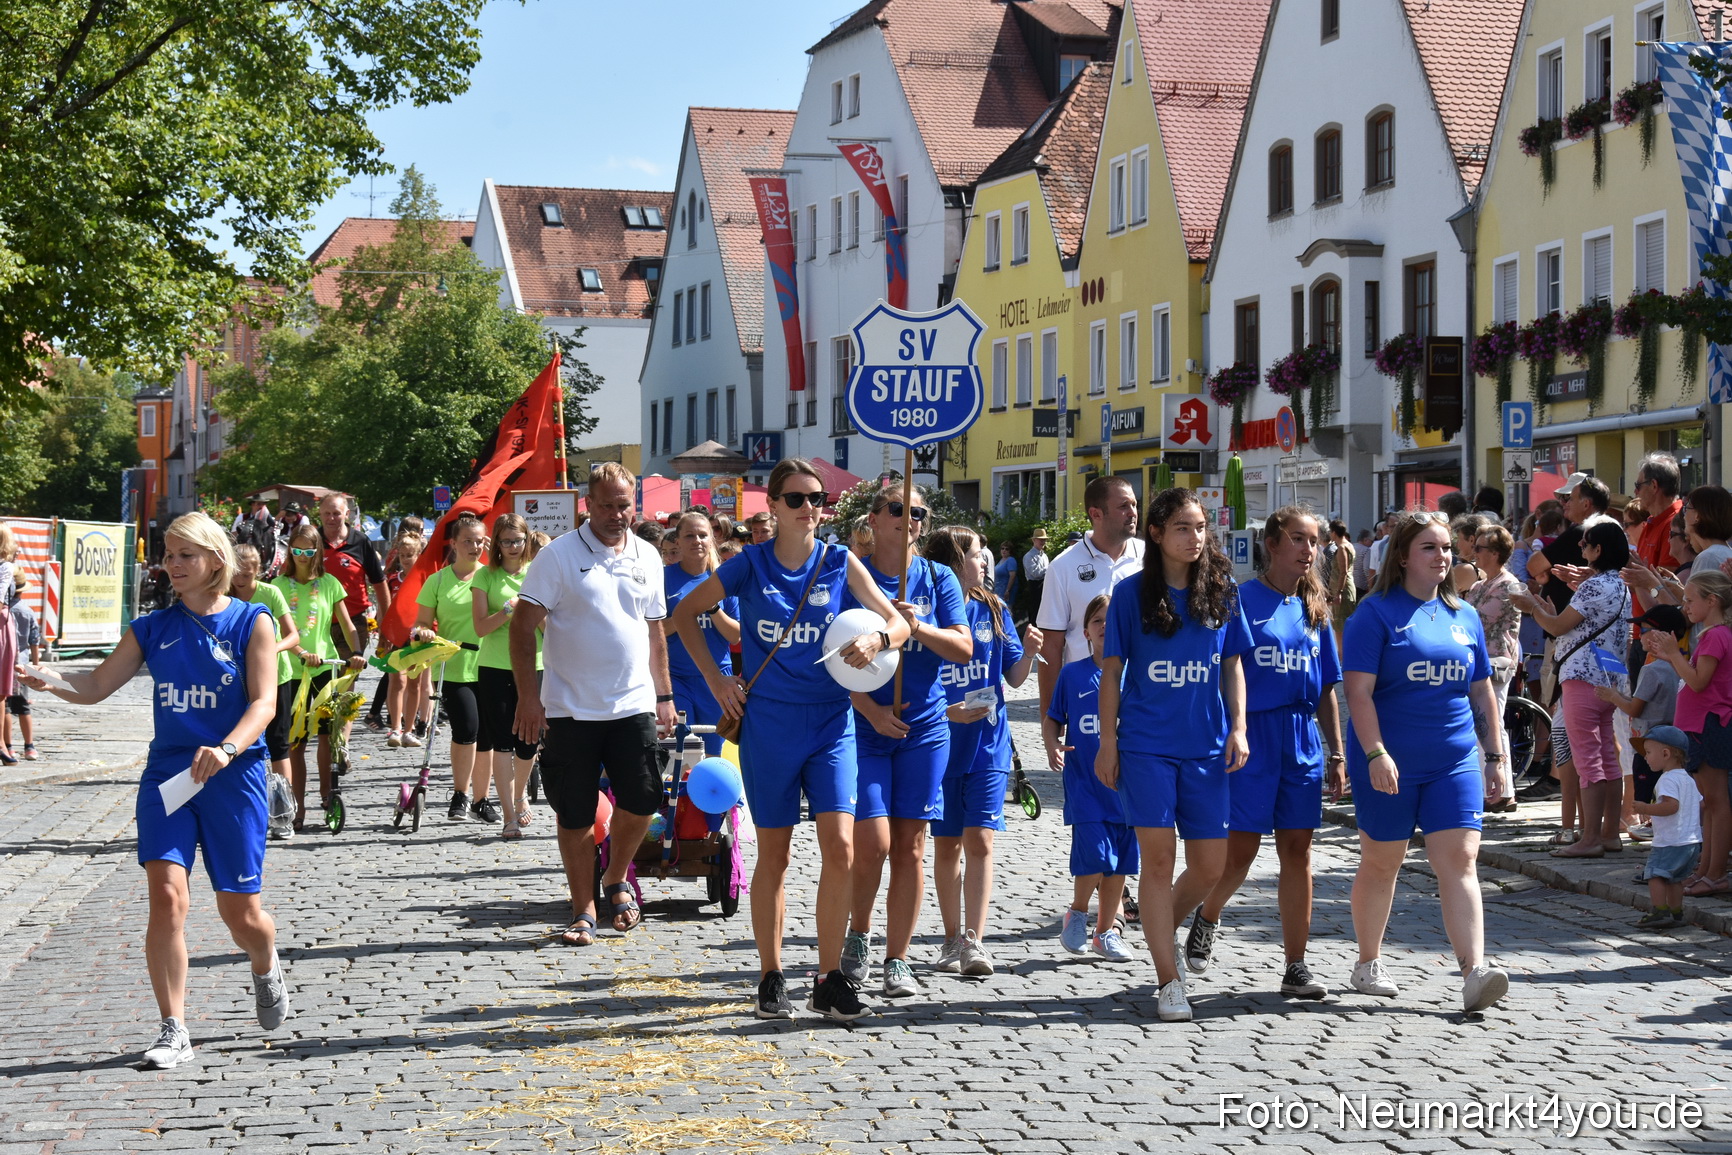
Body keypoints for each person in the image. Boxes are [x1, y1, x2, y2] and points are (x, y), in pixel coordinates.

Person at [16, 512, 288, 1068]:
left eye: (185, 554)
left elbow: (264, 703)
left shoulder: (252, 622)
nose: (173, 564)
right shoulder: (152, 629)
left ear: (215, 558)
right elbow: (95, 685)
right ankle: (173, 1028)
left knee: (242, 914)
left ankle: (264, 961)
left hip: (233, 777)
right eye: (168, 555)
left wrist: (227, 749)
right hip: (170, 775)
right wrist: (52, 682)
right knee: (166, 896)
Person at [670, 458, 910, 1022]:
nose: (810, 509)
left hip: (830, 724)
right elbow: (683, 614)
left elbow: (897, 622)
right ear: (772, 507)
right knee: (774, 854)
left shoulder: (838, 561)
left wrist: (879, 638)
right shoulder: (748, 565)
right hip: (770, 725)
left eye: (818, 498)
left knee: (842, 848)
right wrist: (716, 678)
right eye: (797, 499)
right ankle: (771, 974)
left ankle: (829, 978)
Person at [1341, 512, 1511, 1013]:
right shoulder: (1373, 616)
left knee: (1459, 860)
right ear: (1403, 557)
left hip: (1453, 759)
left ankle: (1473, 972)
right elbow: (1358, 694)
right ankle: (1368, 961)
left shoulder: (1465, 617)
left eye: (1446, 549)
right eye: (1430, 549)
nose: (1443, 558)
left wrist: (1496, 757)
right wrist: (1374, 753)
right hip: (1388, 760)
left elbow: (1482, 693)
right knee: (1382, 862)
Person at [1095, 488, 1251, 1023]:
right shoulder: (1130, 594)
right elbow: (1111, 673)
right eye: (1183, 527)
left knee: (1210, 864)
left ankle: (1161, 926)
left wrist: (1239, 728)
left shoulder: (1222, 590)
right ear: (1157, 534)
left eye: (1201, 527)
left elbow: (1232, 665)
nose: (1195, 537)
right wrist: (1108, 743)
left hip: (1207, 748)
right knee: (1158, 860)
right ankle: (1167, 980)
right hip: (1146, 748)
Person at [511, 464, 678, 948]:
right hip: (570, 709)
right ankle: (582, 905)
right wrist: (528, 698)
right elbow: (522, 628)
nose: (615, 514)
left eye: (624, 504)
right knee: (575, 812)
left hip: (633, 704)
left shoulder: (648, 554)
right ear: (588, 503)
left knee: (645, 798)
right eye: (605, 504)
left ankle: (615, 877)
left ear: (635, 504)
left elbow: (654, 631)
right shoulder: (559, 557)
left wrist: (664, 695)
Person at [1184, 507, 1344, 999]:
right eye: (1298, 539)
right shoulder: (1239, 599)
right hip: (1253, 737)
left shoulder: (1315, 608)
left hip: (1301, 739)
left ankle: (1296, 965)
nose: (1308, 550)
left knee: (1299, 851)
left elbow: (1326, 689)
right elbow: (1219, 675)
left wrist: (1337, 754)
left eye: (1314, 541)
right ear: (1271, 544)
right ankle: (1206, 916)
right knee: (1241, 853)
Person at [839, 487, 971, 1000]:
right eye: (897, 509)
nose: (909, 519)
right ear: (874, 516)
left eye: (918, 512)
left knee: (912, 847)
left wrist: (918, 626)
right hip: (865, 726)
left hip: (925, 728)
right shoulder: (854, 575)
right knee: (872, 843)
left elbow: (962, 647)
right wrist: (869, 710)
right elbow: (831, 658)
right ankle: (859, 932)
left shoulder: (939, 578)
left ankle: (898, 957)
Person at [925, 526, 1041, 976]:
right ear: (954, 562)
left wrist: (1028, 653)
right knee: (947, 844)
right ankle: (951, 937)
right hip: (938, 744)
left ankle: (975, 941)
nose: (986, 561)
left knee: (981, 840)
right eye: (977, 554)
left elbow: (1012, 677)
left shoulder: (996, 608)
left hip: (989, 744)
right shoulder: (929, 612)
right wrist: (946, 710)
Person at [1513, 521, 1632, 858]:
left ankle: (1590, 837)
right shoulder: (1619, 585)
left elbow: (1557, 625)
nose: (1581, 548)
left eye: (1585, 544)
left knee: (1589, 759)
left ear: (1598, 550)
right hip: (1609, 676)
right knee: (1607, 757)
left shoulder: (1594, 586)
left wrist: (1531, 606)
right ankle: (1609, 834)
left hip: (1582, 675)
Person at [1045, 593, 1136, 960]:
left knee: (1120, 864)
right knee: (1097, 855)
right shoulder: (1072, 674)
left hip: (1129, 788)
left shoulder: (1135, 674)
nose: (1105, 627)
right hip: (1085, 785)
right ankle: (1078, 912)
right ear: (1085, 632)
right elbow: (1053, 718)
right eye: (1098, 621)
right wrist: (1051, 744)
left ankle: (1104, 932)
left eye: (1112, 621)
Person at [1642, 570, 1732, 897]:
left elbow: (1697, 681)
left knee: (1717, 802)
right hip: (1700, 727)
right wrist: (1670, 654)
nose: (1686, 606)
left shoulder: (1715, 636)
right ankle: (1707, 868)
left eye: (1691, 600)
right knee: (1708, 802)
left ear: (1713, 601)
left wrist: (1675, 654)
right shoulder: (1711, 634)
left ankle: (1717, 872)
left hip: (1711, 725)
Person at [271, 522, 367, 828]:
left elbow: (348, 625)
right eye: (296, 549)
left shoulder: (329, 584)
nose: (301, 555)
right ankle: (296, 807)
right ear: (290, 550)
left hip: (325, 666)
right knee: (295, 742)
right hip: (291, 670)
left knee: (326, 736)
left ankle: (328, 795)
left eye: (307, 550)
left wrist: (356, 654)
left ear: (317, 551)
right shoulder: (278, 585)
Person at [1036, 476, 1144, 714]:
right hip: (1085, 697)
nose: (1133, 512)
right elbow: (1051, 645)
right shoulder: (1063, 566)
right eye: (1124, 506)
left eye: (1134, 505)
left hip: (1141, 694)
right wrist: (1050, 715)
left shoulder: (1151, 561)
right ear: (1096, 514)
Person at [411, 512, 494, 823]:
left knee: (487, 737)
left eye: (479, 541)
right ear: (454, 544)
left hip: (491, 664)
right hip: (455, 666)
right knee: (466, 730)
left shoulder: (490, 576)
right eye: (468, 542)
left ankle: (481, 800)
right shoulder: (438, 580)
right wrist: (425, 631)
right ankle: (459, 794)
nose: (475, 547)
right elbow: (420, 622)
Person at [472, 513, 542, 838]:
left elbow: (550, 627)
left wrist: (534, 611)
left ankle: (520, 792)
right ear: (496, 544)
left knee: (528, 743)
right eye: (506, 541)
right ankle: (509, 815)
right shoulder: (486, 576)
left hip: (535, 666)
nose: (513, 547)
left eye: (518, 540)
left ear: (527, 540)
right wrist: (509, 610)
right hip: (495, 666)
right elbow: (480, 627)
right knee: (502, 744)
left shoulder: (538, 573)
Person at [229, 543, 300, 838]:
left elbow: (293, 635)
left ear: (257, 570)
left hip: (275, 677)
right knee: (238, 743)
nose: (241, 581)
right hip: (236, 680)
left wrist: (271, 649)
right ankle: (238, 812)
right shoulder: (224, 594)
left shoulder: (270, 594)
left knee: (278, 743)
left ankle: (283, 813)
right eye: (237, 574)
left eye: (247, 575)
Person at [1600, 604, 1687, 830]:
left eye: (1645, 629)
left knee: (1647, 793)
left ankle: (1652, 830)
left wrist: (1612, 696)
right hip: (1674, 739)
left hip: (1649, 743)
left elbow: (1635, 709)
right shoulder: (1681, 665)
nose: (1640, 634)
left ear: (1663, 635)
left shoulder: (1652, 670)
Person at [660, 511, 740, 756]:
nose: (697, 540)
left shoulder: (726, 578)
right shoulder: (663, 578)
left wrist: (713, 607)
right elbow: (655, 631)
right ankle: (679, 796)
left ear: (711, 540)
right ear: (678, 541)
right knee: (681, 754)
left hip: (718, 679)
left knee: (713, 754)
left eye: (703, 535)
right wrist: (686, 615)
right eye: (689, 535)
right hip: (677, 678)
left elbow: (735, 635)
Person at [1465, 525, 1523, 811]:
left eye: (1480, 548)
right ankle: (1490, 790)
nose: (1474, 552)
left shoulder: (1508, 585)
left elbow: (1478, 619)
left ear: (1496, 553)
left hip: (1497, 662)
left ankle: (1503, 792)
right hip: (1477, 663)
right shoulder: (1479, 584)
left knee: (1493, 722)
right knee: (1480, 724)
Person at [1631, 725, 1704, 928]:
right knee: (1675, 880)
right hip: (1691, 842)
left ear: (1666, 753)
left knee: (1654, 874)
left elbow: (1671, 806)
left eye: (1648, 752)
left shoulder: (1667, 779)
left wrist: (1647, 807)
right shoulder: (1688, 779)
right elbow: (1701, 804)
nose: (1645, 758)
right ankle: (1676, 913)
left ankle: (1659, 911)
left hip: (1670, 841)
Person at [318, 493, 389, 660]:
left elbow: (379, 583)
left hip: (353, 622)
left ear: (346, 514)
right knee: (319, 679)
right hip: (317, 621)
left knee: (346, 679)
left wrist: (384, 625)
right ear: (320, 514)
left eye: (336, 513)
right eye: (327, 513)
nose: (331, 518)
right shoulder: (311, 541)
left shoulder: (361, 541)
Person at [382, 524, 431, 747]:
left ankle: (409, 730)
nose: (406, 559)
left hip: (419, 638)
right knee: (396, 681)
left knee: (415, 683)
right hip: (396, 637)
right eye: (402, 556)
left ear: (419, 554)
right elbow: (388, 609)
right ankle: (395, 727)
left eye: (410, 555)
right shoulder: (393, 580)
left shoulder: (426, 580)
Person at [4, 577, 43, 761]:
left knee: (5, 709)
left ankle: (8, 747)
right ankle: (29, 746)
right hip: (22, 666)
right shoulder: (27, 611)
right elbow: (34, 641)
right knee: (23, 707)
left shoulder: (4, 610)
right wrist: (36, 667)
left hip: (4, 664)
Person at [1633, 453, 1684, 571]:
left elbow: (1665, 585)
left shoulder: (1676, 523)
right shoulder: (1653, 520)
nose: (1635, 491)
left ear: (1653, 486)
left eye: (1638, 485)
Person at [1325, 520, 1356, 649]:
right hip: (1345, 587)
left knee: (1340, 626)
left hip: (1343, 589)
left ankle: (1341, 658)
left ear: (1334, 532)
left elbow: (1343, 572)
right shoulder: (1348, 544)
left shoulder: (1342, 547)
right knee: (1343, 625)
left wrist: (1339, 593)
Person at [1022, 528, 1050, 615]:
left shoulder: (1044, 556)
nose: (1043, 542)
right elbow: (1036, 574)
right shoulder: (1029, 556)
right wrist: (1050, 568)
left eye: (1044, 540)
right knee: (1035, 613)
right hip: (1034, 587)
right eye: (1041, 540)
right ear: (1034, 540)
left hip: (1044, 587)